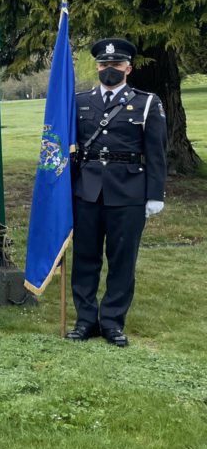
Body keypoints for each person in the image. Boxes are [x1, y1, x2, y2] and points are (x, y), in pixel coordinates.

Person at [67, 38, 167, 347]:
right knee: (85, 259)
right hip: (87, 192)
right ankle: (85, 320)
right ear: (97, 67)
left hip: (128, 192)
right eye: (104, 65)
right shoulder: (80, 101)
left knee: (122, 261)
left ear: (128, 68)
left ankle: (111, 322)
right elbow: (71, 148)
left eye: (115, 65)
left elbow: (156, 152)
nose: (109, 69)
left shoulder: (147, 102)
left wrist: (155, 195)